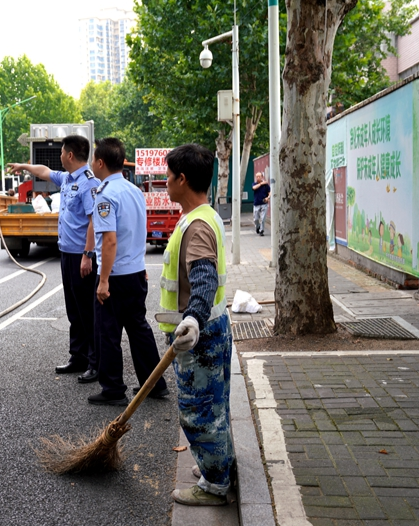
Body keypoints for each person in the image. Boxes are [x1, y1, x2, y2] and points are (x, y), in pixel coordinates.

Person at [159, 144, 234, 506]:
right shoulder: (205, 215)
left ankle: (215, 485)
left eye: (167, 177)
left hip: (198, 336)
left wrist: (192, 318)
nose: (165, 182)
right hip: (213, 327)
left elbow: (203, 280)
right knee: (216, 405)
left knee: (200, 411)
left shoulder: (198, 225)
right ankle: (216, 466)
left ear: (182, 179)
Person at [7, 135, 100, 382]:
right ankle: (78, 356)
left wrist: (88, 255)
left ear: (70, 155)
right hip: (67, 254)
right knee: (73, 308)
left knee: (87, 311)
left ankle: (95, 362)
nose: (59, 156)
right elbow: (45, 171)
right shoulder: (68, 178)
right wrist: (24, 166)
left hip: (82, 256)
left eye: (61, 152)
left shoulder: (89, 183)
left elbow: (93, 221)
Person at [89, 137, 168, 406]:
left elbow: (109, 240)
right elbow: (138, 233)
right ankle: (154, 384)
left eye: (93, 160)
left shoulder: (105, 194)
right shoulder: (135, 191)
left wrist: (103, 281)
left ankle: (113, 390)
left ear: (100, 162)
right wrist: (141, 265)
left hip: (116, 275)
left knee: (107, 333)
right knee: (138, 328)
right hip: (136, 273)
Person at [251, 172, 270, 236]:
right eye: (257, 176)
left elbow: (269, 192)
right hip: (256, 203)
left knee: (263, 218)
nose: (258, 178)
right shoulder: (254, 184)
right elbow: (254, 188)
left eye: (259, 176)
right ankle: (257, 227)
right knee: (256, 219)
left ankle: (261, 230)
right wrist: (261, 183)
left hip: (264, 203)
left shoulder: (266, 185)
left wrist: (268, 198)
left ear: (262, 177)